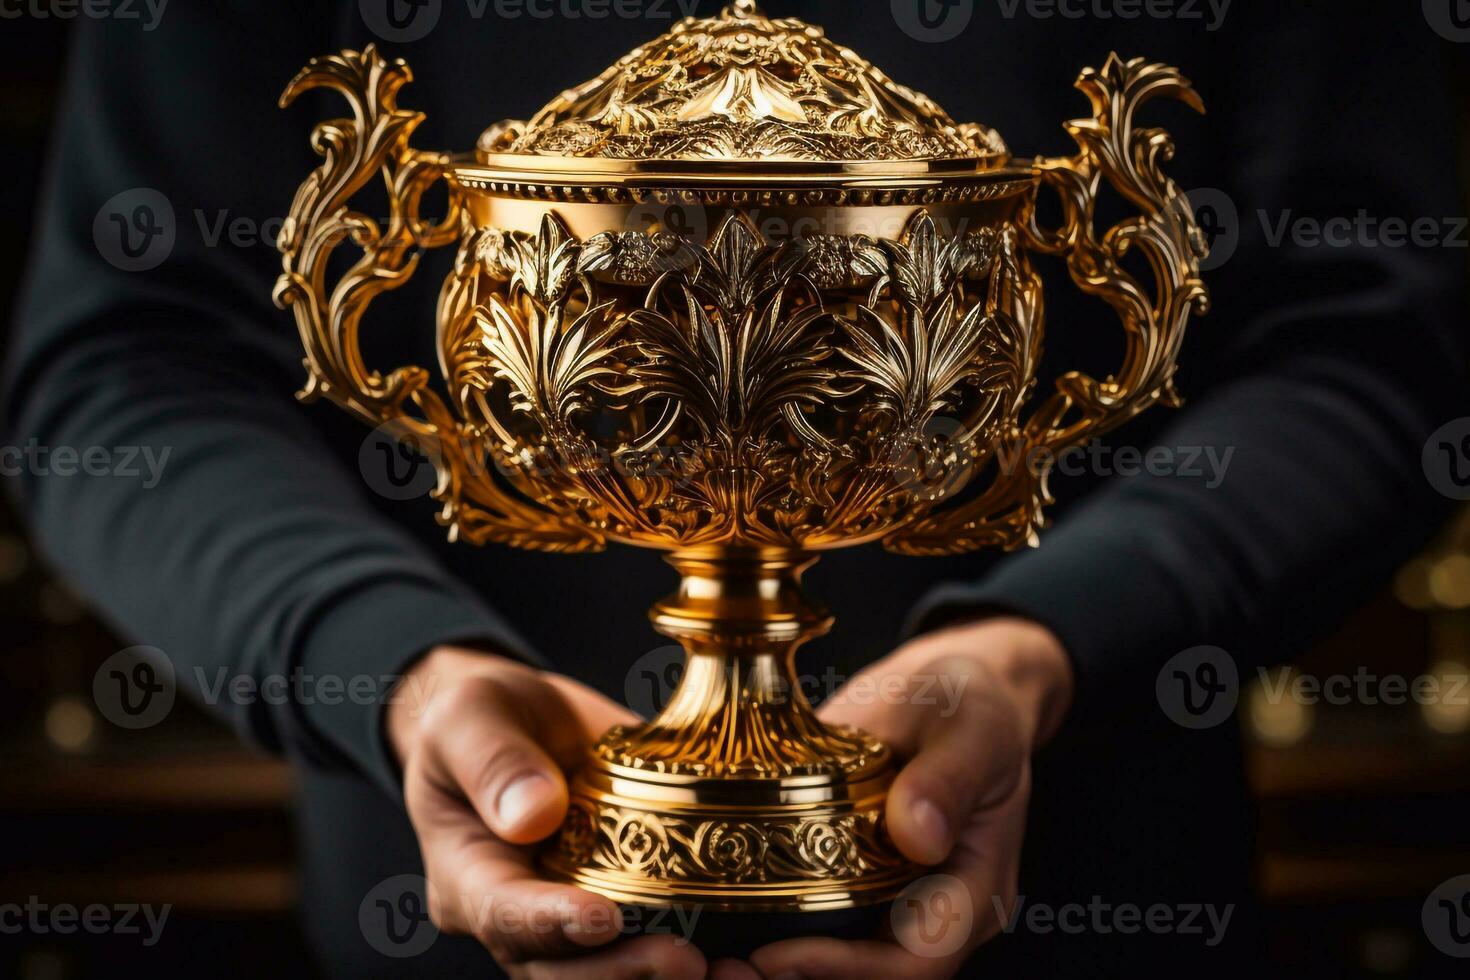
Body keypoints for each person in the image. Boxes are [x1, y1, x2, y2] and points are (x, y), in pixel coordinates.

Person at [6, 1, 1466, 976]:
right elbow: (131, 355)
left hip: (1098, 906)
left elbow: (1376, 337)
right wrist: (383, 662)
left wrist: (1053, 642)